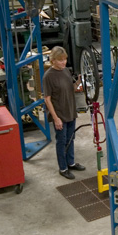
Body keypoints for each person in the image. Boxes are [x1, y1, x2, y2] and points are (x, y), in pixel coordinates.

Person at [44, 46, 85, 180]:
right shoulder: (48, 76)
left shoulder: (66, 71)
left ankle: (71, 163)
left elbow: (70, 88)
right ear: (53, 60)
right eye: (61, 60)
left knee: (70, 138)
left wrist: (78, 82)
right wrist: (56, 118)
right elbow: (47, 99)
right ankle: (63, 168)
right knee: (61, 142)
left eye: (65, 59)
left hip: (70, 111)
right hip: (60, 114)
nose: (64, 62)